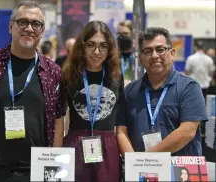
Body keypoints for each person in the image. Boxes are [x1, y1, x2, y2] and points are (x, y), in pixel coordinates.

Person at [0, 0, 65, 181]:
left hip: (37, 171)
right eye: (22, 22)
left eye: (36, 24)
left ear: (42, 31)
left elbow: (58, 119)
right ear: (10, 26)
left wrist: (53, 165)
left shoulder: (53, 71)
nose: (29, 28)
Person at [116, 27, 208, 157]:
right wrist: (133, 163)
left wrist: (146, 158)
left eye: (160, 49)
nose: (154, 55)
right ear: (141, 58)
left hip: (179, 173)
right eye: (147, 51)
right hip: (141, 173)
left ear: (172, 54)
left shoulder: (189, 88)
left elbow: (187, 132)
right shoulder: (129, 91)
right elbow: (121, 132)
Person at [62, 21, 123, 182]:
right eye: (91, 45)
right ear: (82, 46)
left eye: (103, 46)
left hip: (108, 145)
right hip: (75, 143)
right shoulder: (69, 75)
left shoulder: (116, 76)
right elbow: (58, 116)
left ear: (110, 48)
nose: (97, 51)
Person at [117, 20, 133, 85]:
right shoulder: (113, 56)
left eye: (125, 34)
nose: (122, 36)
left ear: (132, 34)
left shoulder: (138, 56)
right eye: (119, 34)